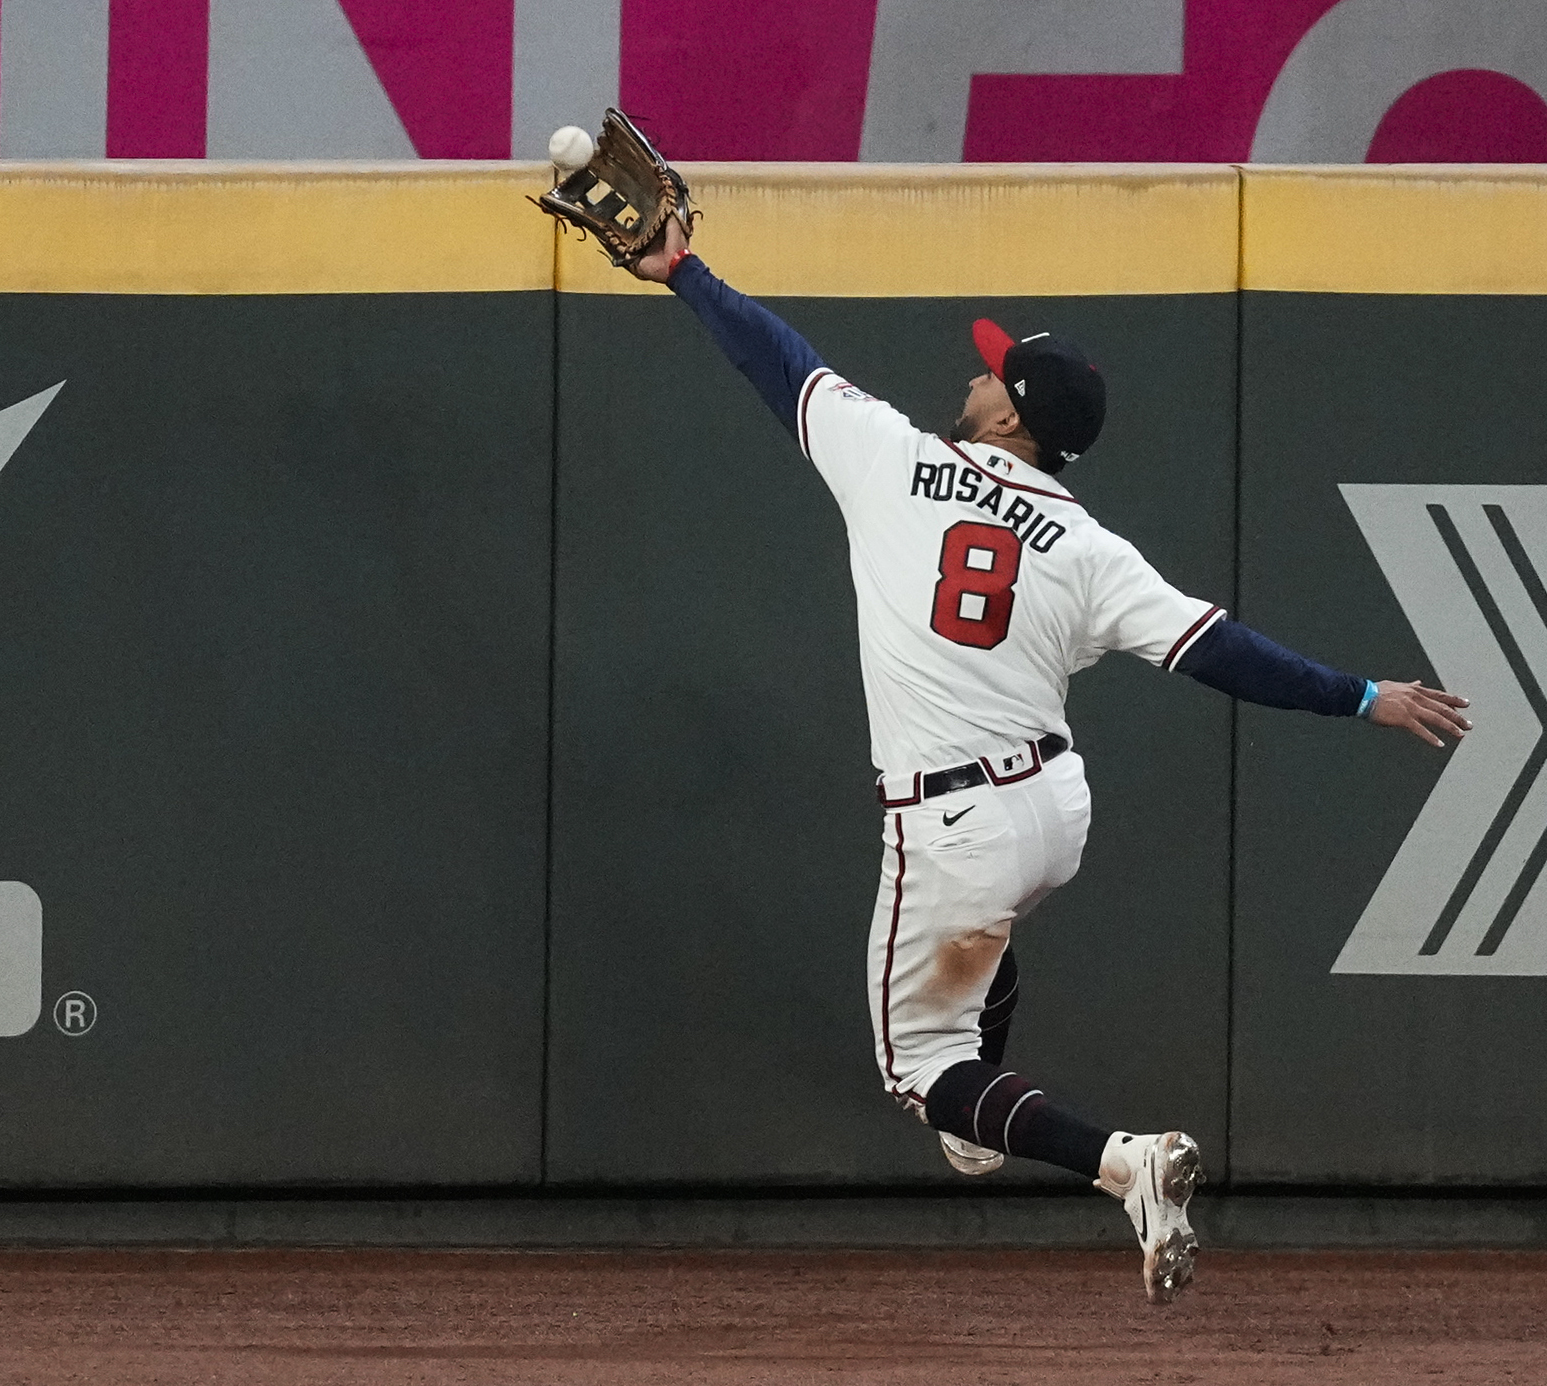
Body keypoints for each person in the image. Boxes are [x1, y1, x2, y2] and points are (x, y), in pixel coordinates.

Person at [625, 215, 1470, 1303]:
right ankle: (987, 1082)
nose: (975, 381)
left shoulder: (895, 461)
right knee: (988, 937)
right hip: (1051, 810)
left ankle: (1125, 1162)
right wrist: (1365, 696)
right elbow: (1224, 653)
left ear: (1012, 414)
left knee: (919, 1070)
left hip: (951, 825)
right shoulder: (1088, 545)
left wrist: (684, 270)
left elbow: (776, 359)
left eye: (992, 376)